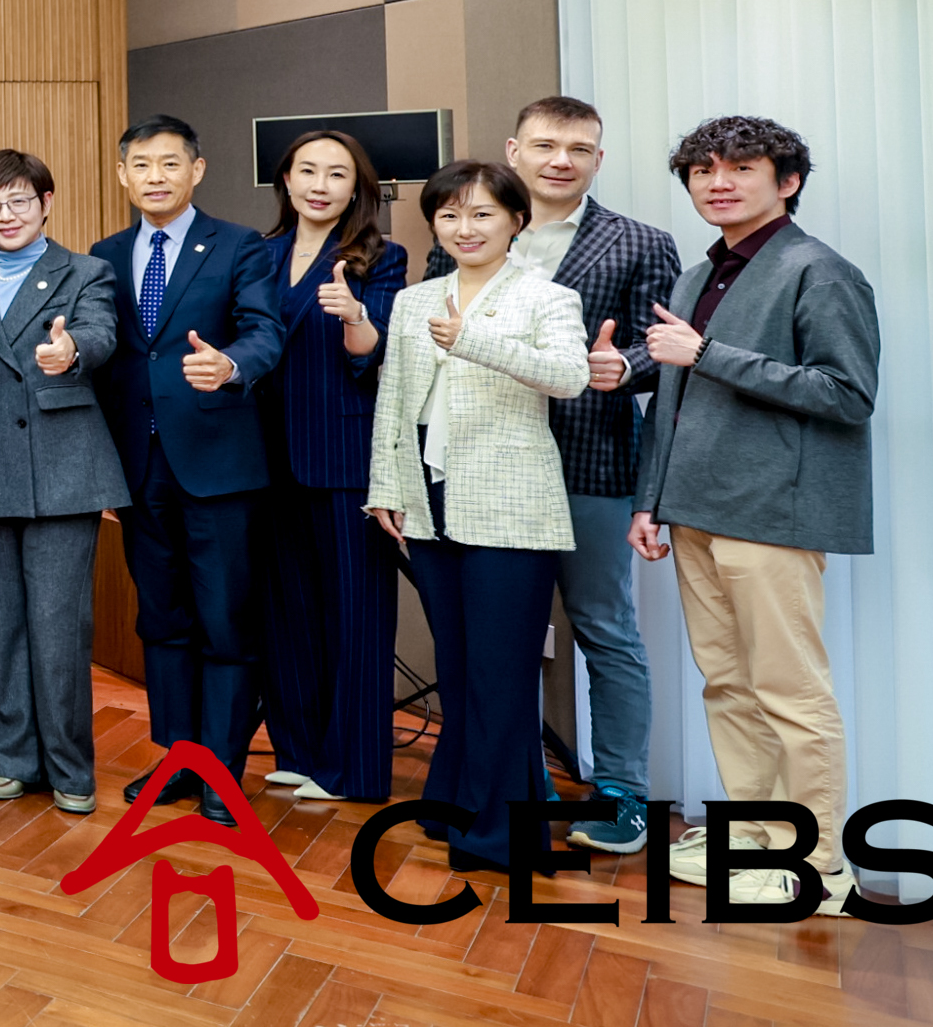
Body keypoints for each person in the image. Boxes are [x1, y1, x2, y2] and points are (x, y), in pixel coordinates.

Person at [635, 114, 877, 913]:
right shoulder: (697, 277)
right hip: (695, 512)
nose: (719, 181)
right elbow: (674, 400)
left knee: (790, 693)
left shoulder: (820, 272)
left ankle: (821, 866)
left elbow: (848, 394)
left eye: (741, 166)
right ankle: (759, 836)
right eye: (703, 169)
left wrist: (708, 354)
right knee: (728, 686)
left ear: (788, 181)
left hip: (773, 513)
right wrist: (651, 502)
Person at [443, 95, 680, 853]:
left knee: (604, 628)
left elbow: (666, 348)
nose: (560, 161)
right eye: (545, 145)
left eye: (579, 149)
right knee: (498, 637)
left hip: (590, 463)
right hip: (482, 466)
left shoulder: (640, 242)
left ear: (598, 160)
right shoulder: (469, 231)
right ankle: (521, 784)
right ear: (514, 151)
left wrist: (626, 366)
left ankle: (622, 795)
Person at [367, 161, 587, 873]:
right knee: (458, 666)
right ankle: (456, 803)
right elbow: (394, 399)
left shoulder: (547, 297)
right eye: (451, 214)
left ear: (517, 221)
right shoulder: (413, 301)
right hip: (428, 497)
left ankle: (496, 835)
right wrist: (385, 485)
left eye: (483, 214)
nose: (466, 228)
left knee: (501, 672)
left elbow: (570, 377)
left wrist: (472, 340)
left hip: (510, 503)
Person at [88, 116, 283, 822]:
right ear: (122, 175)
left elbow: (266, 331)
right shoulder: (105, 255)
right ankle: (178, 758)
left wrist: (230, 364)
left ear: (196, 170)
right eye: (141, 165)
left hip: (218, 467)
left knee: (224, 623)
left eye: (170, 163)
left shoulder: (239, 245)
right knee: (162, 621)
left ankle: (221, 773)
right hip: (140, 467)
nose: (156, 177)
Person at [0, 150, 124, 815]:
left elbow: (100, 333)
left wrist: (70, 350)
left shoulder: (85, 271)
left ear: (46, 202)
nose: (5, 215)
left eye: (18, 200)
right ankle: (10, 760)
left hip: (62, 468)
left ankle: (70, 767)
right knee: (7, 627)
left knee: (59, 627)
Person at [253, 128, 405, 804]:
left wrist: (355, 317)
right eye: (307, 171)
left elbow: (379, 356)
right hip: (265, 461)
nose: (320, 185)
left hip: (344, 458)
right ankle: (300, 751)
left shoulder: (382, 258)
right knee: (285, 614)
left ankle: (355, 769)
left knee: (355, 618)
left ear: (357, 188)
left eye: (336, 174)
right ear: (286, 180)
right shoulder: (257, 254)